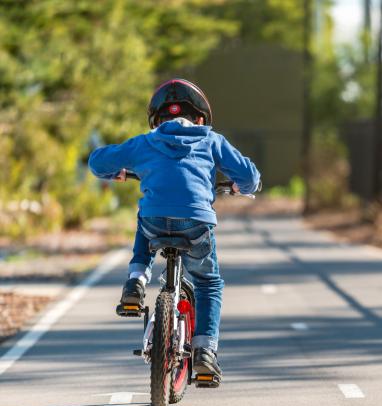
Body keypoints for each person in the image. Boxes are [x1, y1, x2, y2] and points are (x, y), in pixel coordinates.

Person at [88, 78, 261, 383]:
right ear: (201, 119)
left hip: (155, 222)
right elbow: (248, 175)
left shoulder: (146, 142)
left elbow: (97, 161)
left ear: (157, 121)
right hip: (196, 223)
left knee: (147, 214)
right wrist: (241, 186)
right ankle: (205, 352)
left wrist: (117, 171)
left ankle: (135, 281)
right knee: (208, 283)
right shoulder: (211, 140)